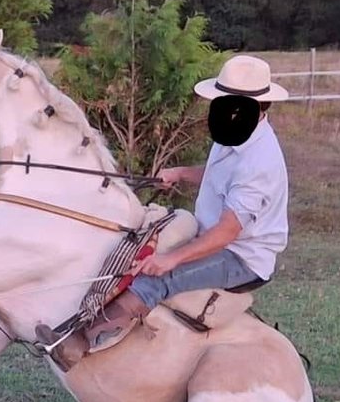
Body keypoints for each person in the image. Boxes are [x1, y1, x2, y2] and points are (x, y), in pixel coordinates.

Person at [37, 54, 290, 370]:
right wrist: (182, 173)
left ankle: (82, 342)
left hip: (241, 257)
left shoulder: (259, 162)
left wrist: (171, 259)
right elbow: (222, 175)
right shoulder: (239, 129)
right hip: (216, 235)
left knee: (158, 277)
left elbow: (227, 233)